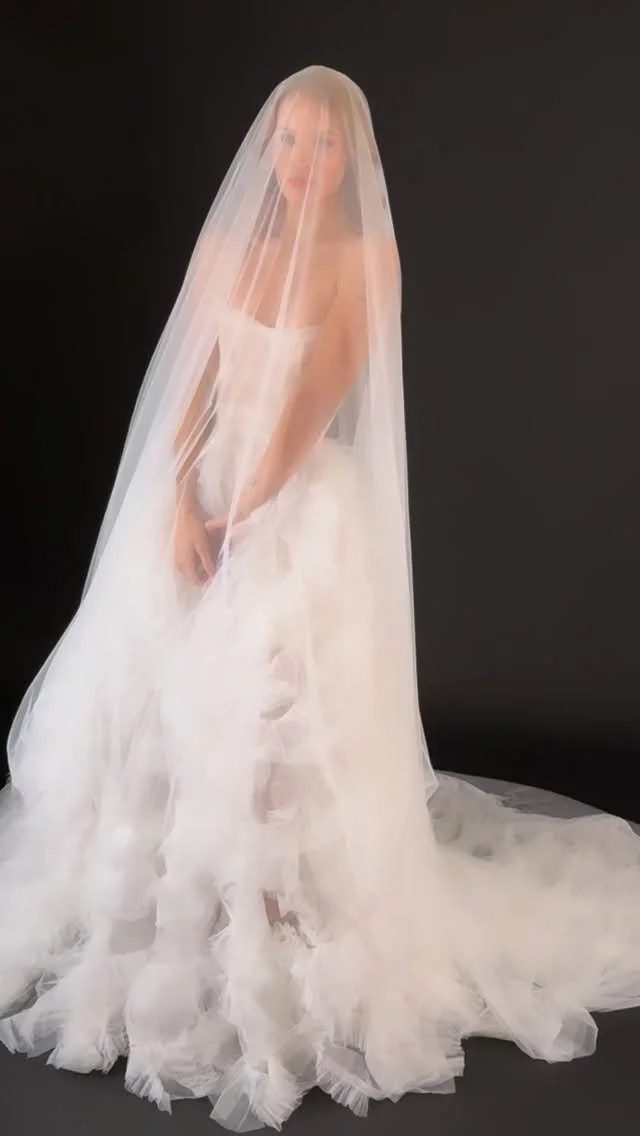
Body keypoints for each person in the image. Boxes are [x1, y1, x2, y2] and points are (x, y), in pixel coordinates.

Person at [0, 65, 638, 1132]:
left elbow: (314, 393)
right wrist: (182, 503)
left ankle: (275, 908)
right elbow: (198, 384)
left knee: (275, 718)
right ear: (269, 150)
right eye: (288, 142)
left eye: (323, 146)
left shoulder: (363, 257)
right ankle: (179, 893)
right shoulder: (225, 248)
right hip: (205, 492)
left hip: (291, 502)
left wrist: (242, 512)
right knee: (163, 696)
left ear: (351, 160)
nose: (301, 164)